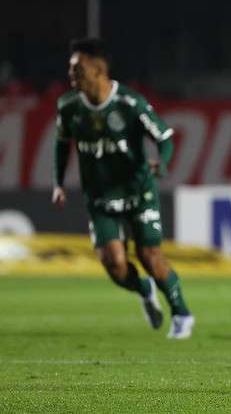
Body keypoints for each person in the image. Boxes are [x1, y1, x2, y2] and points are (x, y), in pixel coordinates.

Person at [52, 38, 194, 339]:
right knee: (114, 264)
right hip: (100, 196)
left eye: (77, 67)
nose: (71, 73)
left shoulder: (130, 104)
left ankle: (182, 313)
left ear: (98, 69)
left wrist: (163, 163)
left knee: (150, 257)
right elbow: (62, 145)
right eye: (70, 67)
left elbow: (165, 137)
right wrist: (59, 183)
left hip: (138, 191)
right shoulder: (68, 107)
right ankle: (143, 289)